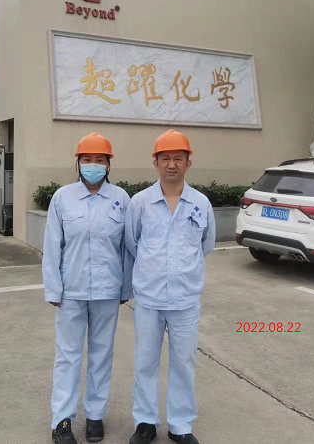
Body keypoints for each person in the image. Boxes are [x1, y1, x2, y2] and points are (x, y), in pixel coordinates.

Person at [125, 129, 216, 444]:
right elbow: (133, 243)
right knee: (145, 362)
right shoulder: (140, 203)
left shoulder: (200, 203)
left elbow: (205, 245)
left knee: (183, 363)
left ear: (189, 163)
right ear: (155, 162)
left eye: (178, 158)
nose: (172, 164)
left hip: (186, 299)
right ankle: (145, 423)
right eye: (166, 158)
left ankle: (180, 426)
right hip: (149, 298)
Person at [43, 132, 133, 444]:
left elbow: (127, 248)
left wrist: (125, 288)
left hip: (108, 290)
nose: (93, 165)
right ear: (78, 163)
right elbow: (52, 246)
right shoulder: (62, 198)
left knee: (102, 354)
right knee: (67, 356)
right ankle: (62, 421)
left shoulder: (121, 199)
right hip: (71, 290)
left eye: (99, 159)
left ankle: (95, 415)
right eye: (87, 159)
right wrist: (53, 289)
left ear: (108, 164)